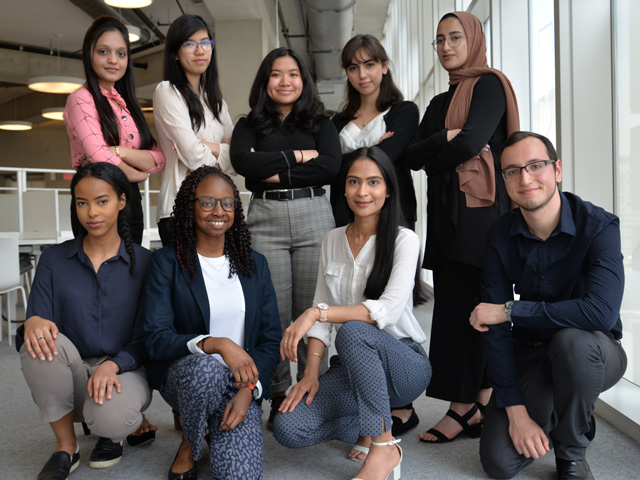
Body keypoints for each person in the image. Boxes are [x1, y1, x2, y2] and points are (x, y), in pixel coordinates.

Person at [470, 131, 627, 480]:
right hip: (536, 353)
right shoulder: (500, 234)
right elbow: (492, 329)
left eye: (535, 166)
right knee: (499, 462)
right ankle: (570, 408)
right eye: (512, 171)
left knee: (573, 341)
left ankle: (571, 451)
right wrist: (516, 411)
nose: (525, 178)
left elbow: (601, 312)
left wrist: (512, 310)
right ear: (505, 180)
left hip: (596, 351)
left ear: (556, 170)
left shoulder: (599, 226)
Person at [273, 146, 431, 480]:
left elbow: (385, 311)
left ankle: (384, 446)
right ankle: (371, 423)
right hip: (352, 369)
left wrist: (319, 312)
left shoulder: (405, 240)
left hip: (403, 364)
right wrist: (311, 373)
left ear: (388, 189)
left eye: (373, 182)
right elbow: (320, 318)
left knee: (354, 330)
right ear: (343, 188)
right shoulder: (331, 240)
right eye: (354, 182)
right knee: (289, 426)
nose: (363, 192)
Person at [404, 11, 520, 443]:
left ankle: (463, 405)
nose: (446, 46)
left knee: (479, 307)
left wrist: (445, 150)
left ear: (473, 39)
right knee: (455, 307)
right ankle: (480, 400)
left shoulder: (489, 85)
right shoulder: (438, 103)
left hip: (482, 214)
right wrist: (442, 141)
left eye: (455, 37)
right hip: (450, 216)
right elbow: (413, 156)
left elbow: (472, 142)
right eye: (439, 40)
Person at [17, 162, 155, 480]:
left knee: (112, 418)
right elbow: (38, 321)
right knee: (37, 340)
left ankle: (112, 431)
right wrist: (33, 321)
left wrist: (114, 365)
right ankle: (66, 446)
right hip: (72, 372)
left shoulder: (147, 262)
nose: (91, 212)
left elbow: (148, 337)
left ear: (122, 201)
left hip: (124, 371)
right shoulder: (54, 259)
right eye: (82, 202)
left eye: (102, 201)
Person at [144, 166, 281, 480]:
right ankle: (189, 444)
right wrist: (215, 342)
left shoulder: (255, 264)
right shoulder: (167, 262)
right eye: (207, 203)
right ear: (189, 207)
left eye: (227, 203)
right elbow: (156, 337)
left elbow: (270, 338)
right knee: (206, 368)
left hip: (238, 386)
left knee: (240, 476)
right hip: (187, 378)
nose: (218, 211)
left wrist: (249, 390)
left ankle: (208, 426)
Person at [230, 47, 342, 427]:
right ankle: (277, 391)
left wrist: (274, 168)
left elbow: (330, 166)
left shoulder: (321, 121)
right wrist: (298, 156)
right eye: (276, 74)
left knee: (313, 310)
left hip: (313, 214)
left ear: (303, 80)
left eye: (293, 74)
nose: (285, 81)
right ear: (265, 81)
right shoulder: (249, 124)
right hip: (266, 216)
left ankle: (314, 387)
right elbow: (244, 165)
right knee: (273, 312)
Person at [64, 15, 165, 244]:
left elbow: (159, 159)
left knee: (132, 274)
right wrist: (138, 173)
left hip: (129, 202)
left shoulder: (127, 104)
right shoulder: (81, 99)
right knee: (96, 276)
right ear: (88, 54)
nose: (113, 60)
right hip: (94, 199)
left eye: (121, 53)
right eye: (103, 51)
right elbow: (98, 155)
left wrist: (120, 151)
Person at [154, 14, 234, 246]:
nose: (200, 50)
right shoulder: (167, 91)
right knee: (187, 282)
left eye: (205, 42)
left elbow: (238, 156)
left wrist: (213, 148)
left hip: (217, 211)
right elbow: (192, 155)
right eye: (190, 43)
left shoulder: (217, 102)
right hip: (180, 210)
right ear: (175, 53)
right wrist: (222, 156)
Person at [331, 34, 418, 231]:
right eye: (353, 68)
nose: (362, 75)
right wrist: (375, 148)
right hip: (346, 213)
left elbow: (387, 155)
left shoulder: (404, 112)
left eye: (369, 65)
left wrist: (343, 159)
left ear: (384, 66)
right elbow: (330, 167)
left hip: (394, 211)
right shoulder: (337, 122)